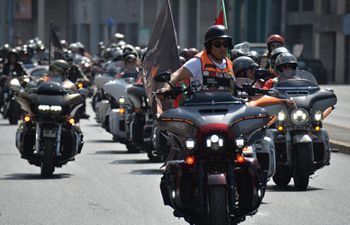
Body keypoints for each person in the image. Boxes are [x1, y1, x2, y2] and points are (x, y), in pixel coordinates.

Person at [158, 25, 234, 95]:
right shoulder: (198, 62)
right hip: (201, 107)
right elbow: (176, 75)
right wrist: (165, 89)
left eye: (225, 44)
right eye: (218, 44)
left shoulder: (230, 64)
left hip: (228, 107)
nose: (222, 48)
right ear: (209, 46)